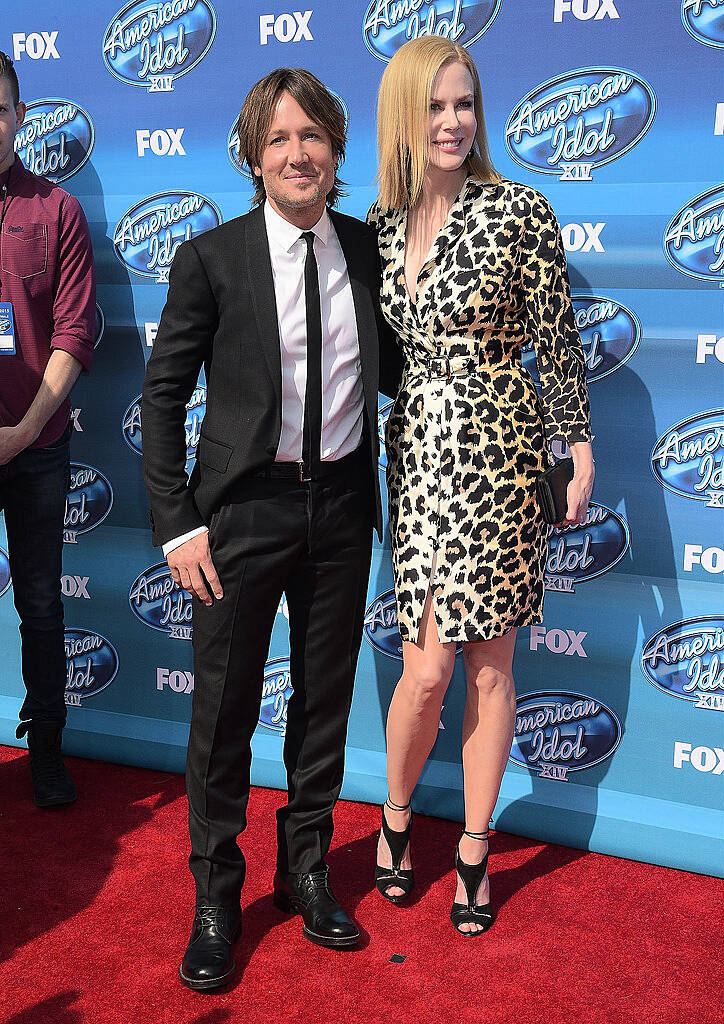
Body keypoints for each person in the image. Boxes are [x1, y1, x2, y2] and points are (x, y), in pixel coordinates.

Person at [142, 68, 401, 990]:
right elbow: (163, 394)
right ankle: (217, 895)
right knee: (223, 715)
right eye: (280, 139)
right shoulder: (210, 258)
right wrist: (178, 524)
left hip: (339, 507)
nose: (299, 154)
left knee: (323, 702)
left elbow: (407, 381)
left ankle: (306, 873)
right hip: (240, 513)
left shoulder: (370, 252)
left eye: (314, 137)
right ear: (255, 156)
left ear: (336, 152)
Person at [368, 38, 594, 935]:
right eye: (435, 105)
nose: (454, 122)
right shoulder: (378, 228)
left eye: (465, 104)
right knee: (425, 671)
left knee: (490, 671)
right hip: (417, 452)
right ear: (404, 115)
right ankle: (393, 818)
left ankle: (472, 846)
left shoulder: (519, 211)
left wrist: (575, 448)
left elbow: (559, 340)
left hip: (499, 451)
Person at [0, 53, 95, 807]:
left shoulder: (55, 210)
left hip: (38, 445)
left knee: (40, 600)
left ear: (20, 116)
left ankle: (48, 749)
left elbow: (73, 333)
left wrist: (26, 428)